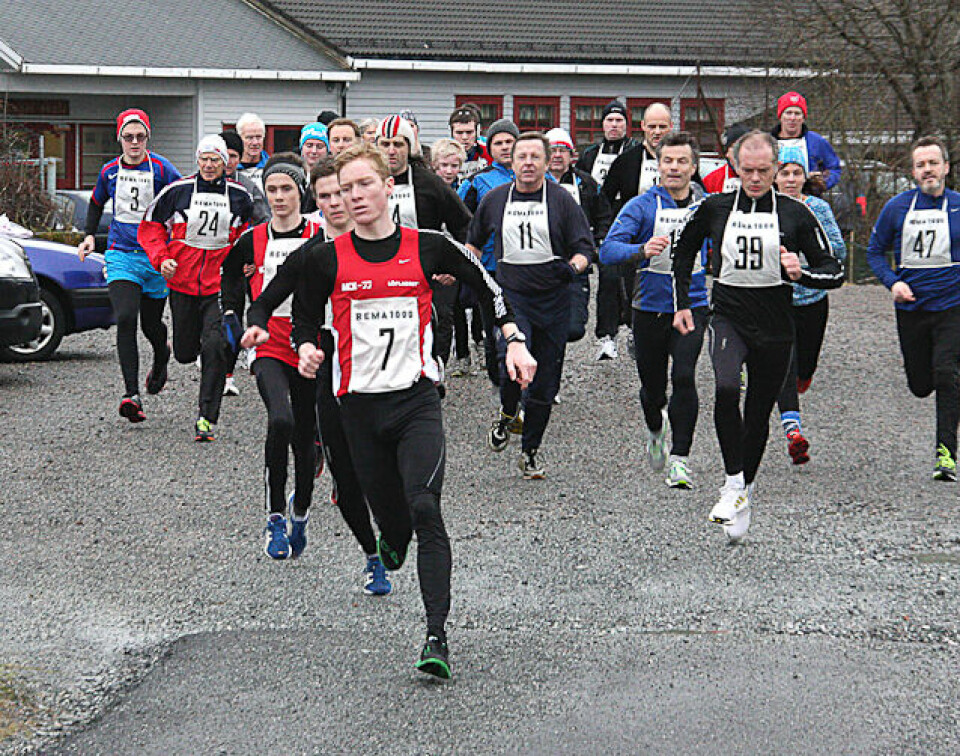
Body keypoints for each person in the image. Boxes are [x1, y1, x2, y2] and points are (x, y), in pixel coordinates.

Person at [242, 142, 536, 679]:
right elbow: (294, 311)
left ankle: (435, 636)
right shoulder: (323, 257)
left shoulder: (428, 247)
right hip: (357, 409)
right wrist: (300, 344)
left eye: (363, 185)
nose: (353, 197)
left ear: (387, 187)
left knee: (426, 508)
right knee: (394, 523)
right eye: (344, 189)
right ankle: (389, 540)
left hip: (416, 401)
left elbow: (490, 288)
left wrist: (513, 337)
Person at [672, 130, 843, 541]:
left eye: (763, 171)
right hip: (729, 317)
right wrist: (682, 302)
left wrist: (802, 273)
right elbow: (682, 249)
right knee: (727, 388)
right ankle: (732, 484)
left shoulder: (795, 213)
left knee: (758, 413)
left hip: (776, 325)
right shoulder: (714, 207)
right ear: (734, 166)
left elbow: (834, 269)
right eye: (746, 170)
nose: (754, 178)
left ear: (775, 168)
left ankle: (745, 490)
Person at [468, 132, 595, 478]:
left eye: (534, 157)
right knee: (510, 366)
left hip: (553, 299)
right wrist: (470, 275)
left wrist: (572, 269)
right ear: (511, 161)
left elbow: (586, 249)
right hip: (511, 298)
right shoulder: (495, 200)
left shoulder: (562, 201)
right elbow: (474, 245)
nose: (527, 163)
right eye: (520, 156)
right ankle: (509, 412)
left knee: (544, 384)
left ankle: (530, 451)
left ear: (545, 162)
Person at [221, 154, 322, 559]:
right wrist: (232, 315)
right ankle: (275, 516)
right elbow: (229, 274)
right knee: (280, 419)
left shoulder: (320, 233)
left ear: (301, 191)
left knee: (307, 440)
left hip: (313, 345)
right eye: (272, 189)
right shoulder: (253, 238)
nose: (279, 197)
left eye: (286, 189)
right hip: (270, 344)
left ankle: (300, 511)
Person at [600, 131, 709, 489]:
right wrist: (641, 250)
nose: (674, 168)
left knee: (684, 376)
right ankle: (655, 429)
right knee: (653, 389)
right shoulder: (641, 206)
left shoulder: (707, 207)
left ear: (694, 168)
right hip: (648, 308)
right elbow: (608, 251)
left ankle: (681, 459)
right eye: (668, 161)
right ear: (658, 165)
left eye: (682, 161)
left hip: (692, 306)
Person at [305, 157, 392, 593]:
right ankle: (371, 555)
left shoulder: (389, 240)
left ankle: (395, 526)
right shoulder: (311, 254)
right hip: (330, 366)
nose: (337, 202)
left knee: (386, 468)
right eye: (326, 196)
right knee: (346, 475)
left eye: (343, 192)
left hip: (386, 370)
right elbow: (271, 295)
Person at [139, 134, 254, 441]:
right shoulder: (177, 191)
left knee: (216, 347)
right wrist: (161, 259)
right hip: (183, 283)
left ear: (226, 163)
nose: (208, 165)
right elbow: (150, 227)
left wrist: (246, 261)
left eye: (215, 159)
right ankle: (169, 352)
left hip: (219, 285)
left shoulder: (241, 196)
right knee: (186, 353)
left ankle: (206, 417)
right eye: (203, 158)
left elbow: (250, 234)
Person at [78, 109, 181, 423]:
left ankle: (161, 353)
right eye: (128, 137)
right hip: (121, 253)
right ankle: (131, 394)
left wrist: (177, 245)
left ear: (147, 137)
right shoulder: (109, 171)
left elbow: (182, 201)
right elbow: (96, 202)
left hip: (155, 256)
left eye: (140, 137)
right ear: (119, 138)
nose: (134, 142)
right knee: (125, 317)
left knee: (151, 325)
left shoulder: (162, 169)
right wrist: (89, 237)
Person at [866, 136, 960, 481]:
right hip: (912, 309)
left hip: (953, 306)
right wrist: (893, 283)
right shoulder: (897, 208)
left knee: (946, 372)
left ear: (946, 167)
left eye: (933, 163)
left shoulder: (958, 206)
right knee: (921, 384)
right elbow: (874, 252)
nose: (928, 170)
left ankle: (946, 454)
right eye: (921, 165)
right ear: (913, 171)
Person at [376, 115, 473, 371]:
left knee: (439, 321)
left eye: (398, 144)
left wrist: (455, 265)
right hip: (379, 269)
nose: (392, 151)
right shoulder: (367, 181)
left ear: (410, 148)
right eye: (385, 144)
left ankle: (434, 370)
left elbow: (464, 224)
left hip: (426, 270)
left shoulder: (429, 183)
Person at [774, 146, 847, 466]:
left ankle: (804, 378)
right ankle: (794, 432)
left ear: (806, 177)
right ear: (774, 177)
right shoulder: (766, 207)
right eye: (785, 173)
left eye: (796, 173)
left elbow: (838, 252)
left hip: (813, 297)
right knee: (783, 367)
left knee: (804, 367)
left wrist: (811, 252)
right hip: (777, 300)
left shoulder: (817, 207)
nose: (791, 179)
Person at [598, 102, 675, 360]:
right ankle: (623, 331)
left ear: (671, 127)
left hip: (669, 235)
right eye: (651, 126)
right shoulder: (627, 161)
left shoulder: (680, 161)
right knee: (625, 284)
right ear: (642, 127)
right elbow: (605, 198)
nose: (657, 132)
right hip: (634, 236)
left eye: (662, 126)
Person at [459, 118, 520, 384]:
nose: (505, 147)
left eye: (510, 141)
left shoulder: (535, 175)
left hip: (527, 267)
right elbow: (459, 219)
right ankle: (499, 380)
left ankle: (529, 382)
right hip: (490, 268)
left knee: (526, 326)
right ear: (490, 148)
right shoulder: (477, 181)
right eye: (499, 143)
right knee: (494, 325)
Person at [545, 127, 612, 343]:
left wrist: (596, 243)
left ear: (572, 155)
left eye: (562, 151)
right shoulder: (532, 181)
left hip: (577, 260)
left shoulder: (586, 183)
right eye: (552, 150)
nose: (557, 155)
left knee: (574, 328)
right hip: (542, 261)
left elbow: (604, 215)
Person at [219, 130, 269, 397]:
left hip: (241, 265)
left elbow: (264, 223)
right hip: (209, 264)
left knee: (238, 312)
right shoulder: (196, 185)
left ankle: (229, 373)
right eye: (222, 155)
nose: (226, 162)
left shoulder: (248, 189)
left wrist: (254, 259)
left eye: (233, 157)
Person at [771, 92, 842, 190]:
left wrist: (821, 182)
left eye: (797, 114)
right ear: (780, 116)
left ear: (803, 118)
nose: (792, 118)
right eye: (788, 113)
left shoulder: (817, 142)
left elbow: (834, 169)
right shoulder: (767, 142)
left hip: (808, 197)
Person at [575, 99, 638, 189]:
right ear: (603, 124)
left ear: (626, 124)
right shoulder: (589, 154)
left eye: (619, 120)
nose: (614, 124)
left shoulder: (634, 151)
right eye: (610, 120)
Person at [702, 123, 750, 194]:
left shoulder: (761, 178)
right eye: (736, 148)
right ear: (727, 153)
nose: (742, 153)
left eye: (747, 148)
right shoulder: (711, 181)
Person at [449, 104, 491, 181]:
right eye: (459, 132)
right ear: (452, 134)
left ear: (477, 132)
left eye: (469, 132)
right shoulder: (442, 153)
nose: (464, 137)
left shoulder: (488, 151)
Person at [299, 122, 330, 215]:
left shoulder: (332, 178)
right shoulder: (293, 175)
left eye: (319, 146)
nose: (314, 151)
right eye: (309, 145)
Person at [236, 112, 270, 190]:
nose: (255, 142)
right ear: (239, 138)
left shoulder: (271, 167)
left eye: (258, 137)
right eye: (249, 138)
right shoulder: (230, 168)